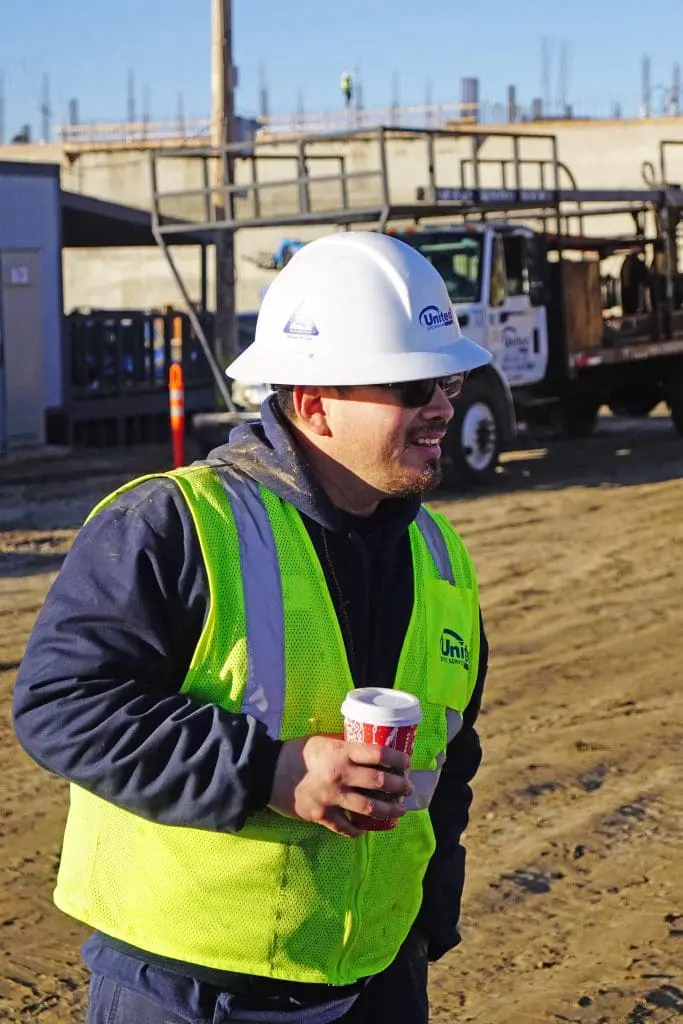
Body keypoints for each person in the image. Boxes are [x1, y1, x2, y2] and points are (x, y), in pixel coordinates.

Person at [13, 231, 492, 1024]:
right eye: (411, 387)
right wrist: (268, 771)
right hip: (189, 993)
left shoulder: (437, 555)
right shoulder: (172, 524)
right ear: (310, 403)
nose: (443, 404)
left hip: (375, 979)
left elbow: (451, 752)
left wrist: (422, 923)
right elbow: (61, 705)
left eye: (447, 378)